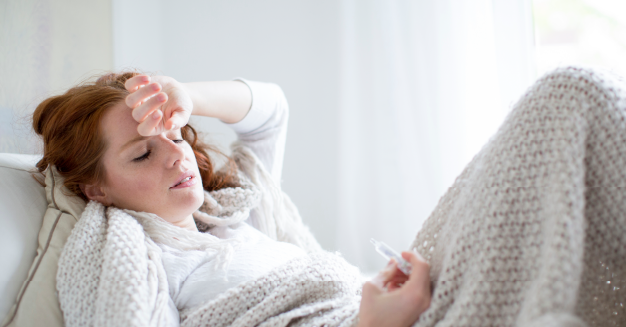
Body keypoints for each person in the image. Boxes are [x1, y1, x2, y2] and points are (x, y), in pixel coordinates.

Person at [32, 72, 431, 327]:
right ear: (96, 190)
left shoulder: (238, 212)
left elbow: (271, 110)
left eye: (175, 136)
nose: (176, 155)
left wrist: (185, 94)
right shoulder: (141, 264)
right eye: (142, 154)